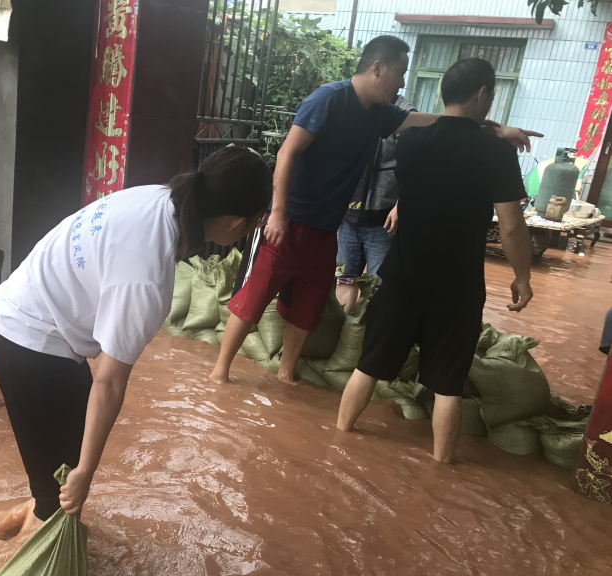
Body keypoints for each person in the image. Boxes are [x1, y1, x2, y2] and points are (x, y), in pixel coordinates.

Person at [210, 35, 539, 386]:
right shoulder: (328, 99)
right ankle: (220, 372)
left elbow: (436, 121)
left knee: (309, 306)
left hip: (326, 229)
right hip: (289, 222)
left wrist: (496, 129)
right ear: (377, 67)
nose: (402, 82)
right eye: (400, 73)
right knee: (253, 298)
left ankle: (286, 375)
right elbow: (288, 152)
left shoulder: (380, 114)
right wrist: (277, 212)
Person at [0, 148, 273, 531]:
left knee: (58, 468)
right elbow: (108, 381)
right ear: (239, 223)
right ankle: (14, 572)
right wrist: (87, 473)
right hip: (28, 343)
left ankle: (18, 526)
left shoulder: (159, 197)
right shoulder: (148, 279)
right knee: (60, 495)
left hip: (18, 316)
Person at [336, 57, 534, 463]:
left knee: (368, 366)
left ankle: (338, 440)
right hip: (457, 286)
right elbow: (512, 227)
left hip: (402, 275)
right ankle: (441, 466)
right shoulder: (497, 153)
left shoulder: (411, 143)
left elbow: (425, 180)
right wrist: (523, 277)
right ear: (483, 94)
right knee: (448, 386)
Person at [335, 94, 416, 312]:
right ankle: (346, 335)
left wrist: (400, 206)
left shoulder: (405, 114)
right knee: (345, 278)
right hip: (350, 216)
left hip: (383, 220)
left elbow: (416, 167)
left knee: (379, 285)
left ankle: (371, 337)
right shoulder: (357, 106)